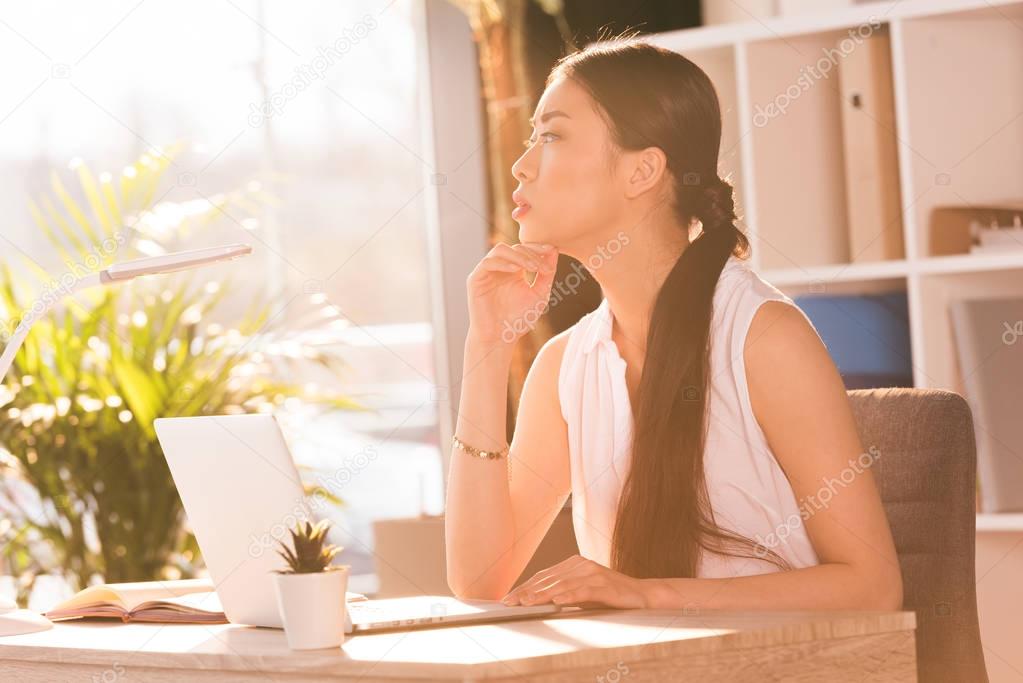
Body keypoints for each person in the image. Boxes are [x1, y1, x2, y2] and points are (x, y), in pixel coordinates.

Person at [444, 39, 902, 612]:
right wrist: (487, 347)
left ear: (643, 170)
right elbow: (478, 578)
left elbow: (873, 587)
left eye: (553, 135)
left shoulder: (764, 337)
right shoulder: (566, 365)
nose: (521, 163)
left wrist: (646, 596)